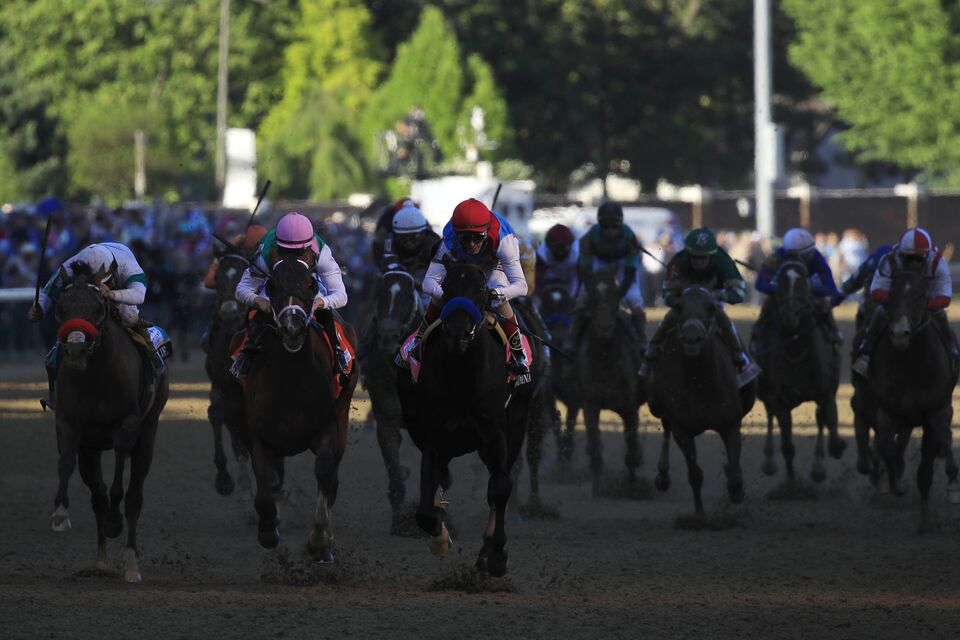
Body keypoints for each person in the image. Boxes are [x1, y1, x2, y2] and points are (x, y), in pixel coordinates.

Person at [26, 242, 162, 408]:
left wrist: (113, 293)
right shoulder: (70, 266)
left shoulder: (128, 265)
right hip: (86, 293)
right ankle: (55, 390)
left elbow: (139, 295)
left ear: (112, 272)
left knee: (129, 316)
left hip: (120, 292)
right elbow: (46, 292)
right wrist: (38, 308)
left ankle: (152, 361)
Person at [404, 198, 530, 375]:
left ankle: (519, 354)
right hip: (462, 261)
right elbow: (429, 282)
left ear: (486, 231)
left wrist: (497, 293)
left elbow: (521, 286)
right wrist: (446, 295)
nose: (471, 244)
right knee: (441, 295)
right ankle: (418, 342)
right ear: (457, 234)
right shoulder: (449, 238)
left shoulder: (504, 240)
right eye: (465, 237)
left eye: (477, 237)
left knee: (496, 299)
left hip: (494, 260)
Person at [231, 212, 350, 382]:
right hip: (278, 288)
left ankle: (338, 352)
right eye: (288, 252)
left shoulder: (322, 252)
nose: (294, 257)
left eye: (300, 252)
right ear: (278, 247)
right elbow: (242, 289)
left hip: (307, 287)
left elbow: (341, 295)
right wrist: (259, 301)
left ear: (310, 247)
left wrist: (321, 302)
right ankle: (246, 353)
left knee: (327, 312)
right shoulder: (265, 252)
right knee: (257, 313)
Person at [638, 228, 759, 386]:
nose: (699, 262)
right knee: (669, 318)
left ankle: (740, 358)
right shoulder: (677, 262)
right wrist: (685, 300)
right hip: (685, 301)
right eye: (695, 258)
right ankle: (650, 355)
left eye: (704, 258)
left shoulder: (723, 261)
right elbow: (668, 296)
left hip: (712, 299)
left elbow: (738, 294)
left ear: (712, 254)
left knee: (722, 318)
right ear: (688, 253)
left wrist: (718, 296)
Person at [852, 227, 957, 377]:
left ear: (926, 254)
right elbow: (877, 290)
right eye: (909, 258)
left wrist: (924, 305)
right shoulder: (889, 259)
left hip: (926, 295)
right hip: (897, 295)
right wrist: (897, 302)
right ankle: (866, 353)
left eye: (918, 258)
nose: (914, 261)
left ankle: (952, 352)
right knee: (880, 313)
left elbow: (944, 296)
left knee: (941, 317)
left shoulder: (937, 262)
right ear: (901, 253)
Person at [571, 201, 647, 347]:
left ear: (621, 225)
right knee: (582, 298)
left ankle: (641, 338)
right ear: (599, 225)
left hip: (622, 264)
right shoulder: (589, 238)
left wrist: (616, 296)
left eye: (614, 226)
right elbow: (586, 272)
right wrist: (592, 292)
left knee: (635, 299)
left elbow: (630, 274)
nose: (610, 230)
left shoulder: (630, 238)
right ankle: (572, 339)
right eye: (605, 226)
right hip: (599, 262)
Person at [753, 227, 844, 345]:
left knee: (823, 303)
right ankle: (758, 329)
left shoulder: (816, 257)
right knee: (769, 303)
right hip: (783, 294)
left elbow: (830, 287)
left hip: (807, 293)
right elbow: (760, 283)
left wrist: (807, 288)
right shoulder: (777, 256)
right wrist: (781, 289)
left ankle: (832, 330)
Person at [374, 201, 439, 279]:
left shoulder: (431, 240)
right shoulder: (386, 227)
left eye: (413, 237)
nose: (409, 243)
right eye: (403, 238)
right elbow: (379, 247)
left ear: (423, 234)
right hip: (399, 257)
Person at [535, 224, 579, 299]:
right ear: (548, 245)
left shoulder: (577, 253)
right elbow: (538, 279)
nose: (560, 252)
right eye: (556, 248)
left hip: (569, 275)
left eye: (562, 247)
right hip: (549, 278)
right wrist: (541, 296)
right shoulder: (542, 254)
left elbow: (578, 279)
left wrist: (574, 299)